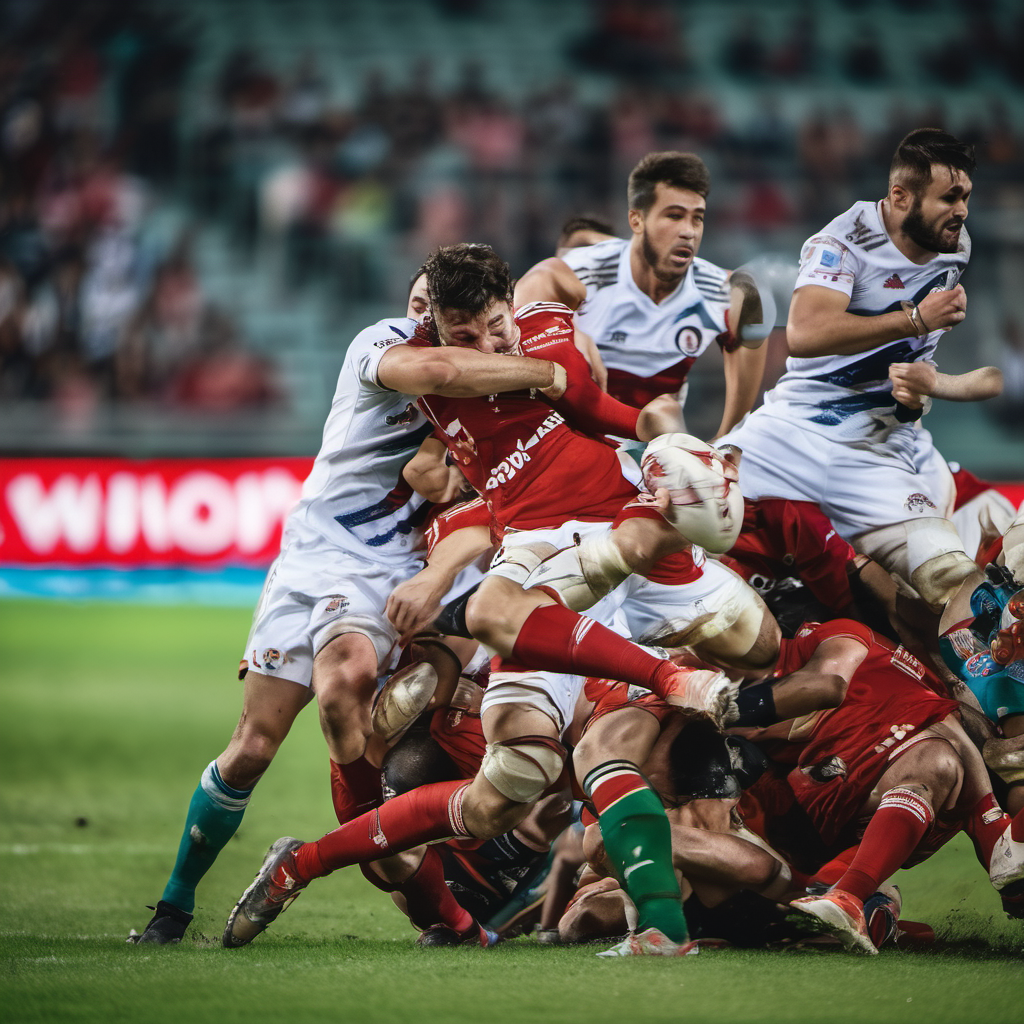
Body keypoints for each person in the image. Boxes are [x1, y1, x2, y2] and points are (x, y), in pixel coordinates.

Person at [220, 244, 755, 954]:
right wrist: (436, 593)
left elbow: (605, 397)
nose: (481, 345)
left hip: (606, 537)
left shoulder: (545, 336)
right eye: (463, 334)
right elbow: (461, 505)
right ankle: (312, 863)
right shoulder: (440, 422)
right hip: (544, 572)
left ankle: (678, 897)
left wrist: (674, 443)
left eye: (491, 326)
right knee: (509, 781)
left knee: (751, 648)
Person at [131, 282, 589, 944]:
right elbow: (431, 441)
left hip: (389, 576)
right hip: (312, 559)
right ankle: (174, 905)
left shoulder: (487, 398)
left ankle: (425, 867)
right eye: (421, 303)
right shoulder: (384, 344)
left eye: (456, 315)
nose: (422, 315)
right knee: (253, 746)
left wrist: (437, 565)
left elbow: (466, 513)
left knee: (357, 683)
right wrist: (551, 372)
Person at [721, 128, 1002, 652]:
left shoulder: (954, 245)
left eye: (965, 196)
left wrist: (921, 386)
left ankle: (955, 687)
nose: (962, 210)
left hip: (879, 446)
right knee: (675, 499)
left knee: (948, 580)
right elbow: (804, 335)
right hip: (794, 430)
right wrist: (915, 320)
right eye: (949, 197)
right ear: (900, 197)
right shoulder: (842, 242)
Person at [515, 151, 768, 436]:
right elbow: (502, 324)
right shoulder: (575, 275)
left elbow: (737, 422)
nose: (689, 232)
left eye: (697, 218)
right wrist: (569, 327)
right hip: (570, 441)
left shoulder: (728, 295)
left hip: (656, 449)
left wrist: (727, 443)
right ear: (636, 220)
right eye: (674, 216)